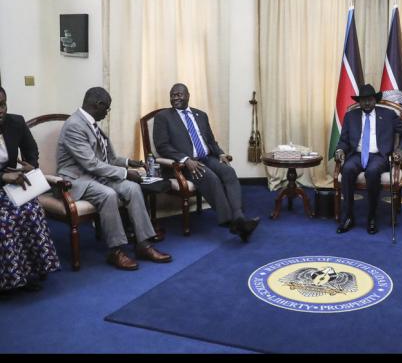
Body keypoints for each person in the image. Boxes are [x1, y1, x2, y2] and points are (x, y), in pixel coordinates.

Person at [55, 86, 171, 270]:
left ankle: (143, 244)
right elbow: (91, 164)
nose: (107, 112)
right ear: (98, 104)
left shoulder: (93, 125)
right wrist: (125, 173)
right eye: (107, 108)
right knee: (108, 194)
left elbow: (109, 159)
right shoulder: (74, 125)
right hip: (77, 179)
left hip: (96, 175)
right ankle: (115, 251)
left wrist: (129, 162)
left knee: (133, 188)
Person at [152, 82, 258, 241]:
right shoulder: (163, 117)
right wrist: (185, 159)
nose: (175, 98)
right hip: (185, 164)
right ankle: (231, 223)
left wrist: (220, 153)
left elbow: (211, 141)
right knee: (211, 178)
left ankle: (238, 217)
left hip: (207, 157)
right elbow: (162, 146)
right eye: (172, 95)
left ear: (188, 96)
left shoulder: (200, 115)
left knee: (229, 172)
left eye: (179, 94)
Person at [0, 86, 62, 296]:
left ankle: (29, 272)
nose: (1, 110)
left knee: (31, 210)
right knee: (5, 220)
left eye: (3, 104)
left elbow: (31, 149)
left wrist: (31, 165)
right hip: (3, 182)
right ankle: (9, 278)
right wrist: (2, 177)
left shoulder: (16, 122)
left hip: (12, 185)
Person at [333, 83, 402, 234]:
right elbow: (343, 140)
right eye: (363, 100)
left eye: (370, 99)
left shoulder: (388, 115)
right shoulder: (351, 116)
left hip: (378, 156)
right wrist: (340, 150)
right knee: (347, 169)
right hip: (357, 155)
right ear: (359, 102)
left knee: (372, 171)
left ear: (375, 100)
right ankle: (348, 217)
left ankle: (372, 217)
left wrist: (400, 150)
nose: (367, 103)